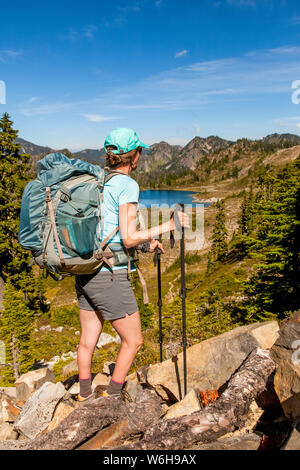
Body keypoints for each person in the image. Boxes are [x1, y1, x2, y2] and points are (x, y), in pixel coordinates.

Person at [75, 128, 189, 401]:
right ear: (133, 156)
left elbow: (109, 231)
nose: (140, 155)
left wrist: (145, 244)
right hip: (110, 275)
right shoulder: (127, 185)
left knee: (87, 339)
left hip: (86, 270)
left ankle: (84, 395)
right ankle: (113, 398)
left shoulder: (100, 181)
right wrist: (168, 225)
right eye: (139, 151)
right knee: (134, 340)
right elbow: (126, 237)